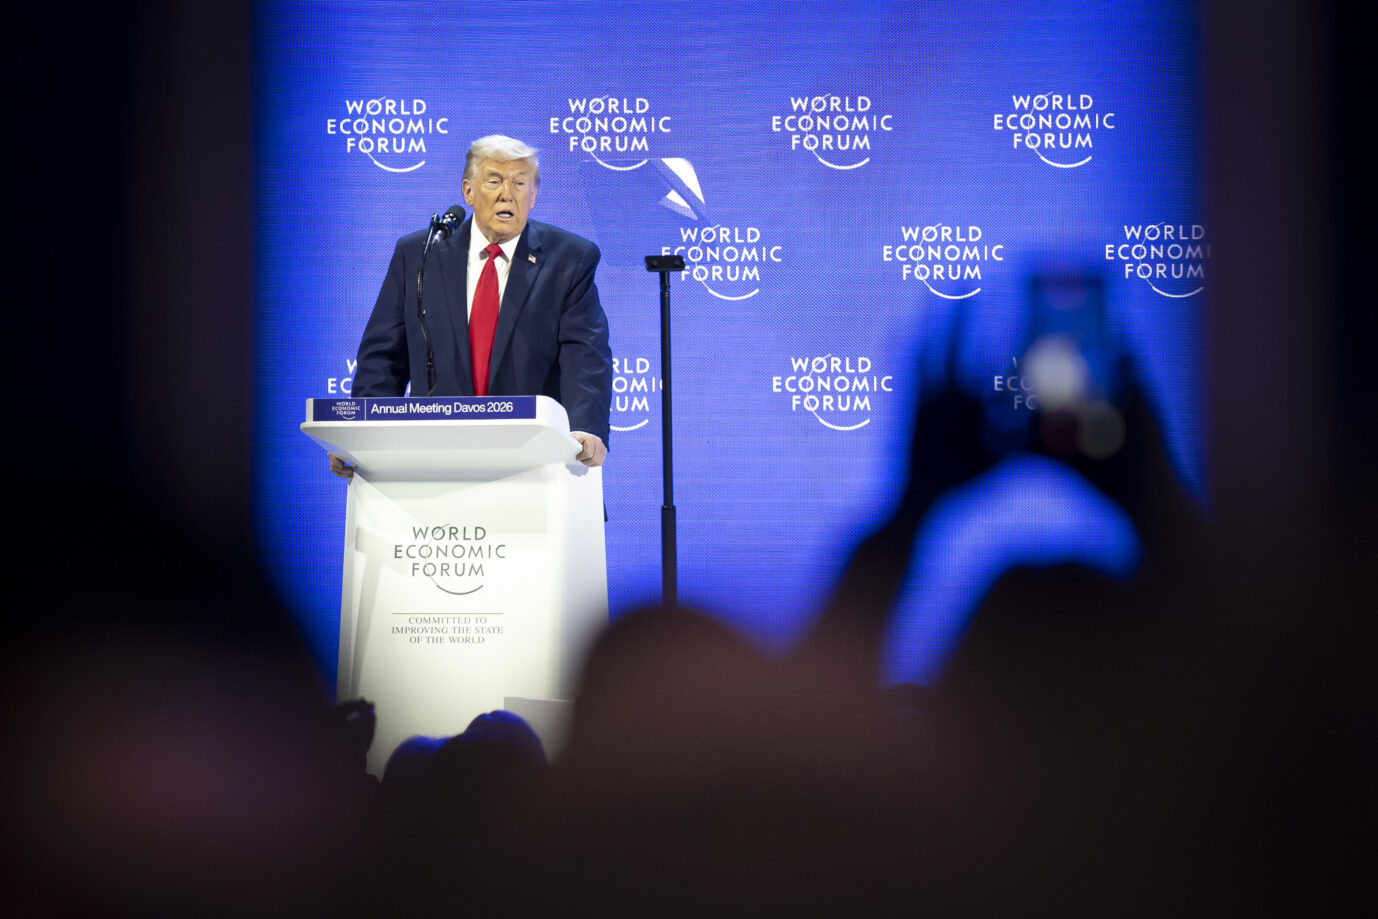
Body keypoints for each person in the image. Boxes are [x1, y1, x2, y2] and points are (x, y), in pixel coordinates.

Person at [330, 135, 612, 477]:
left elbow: (585, 356)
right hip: (433, 460)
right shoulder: (419, 254)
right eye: (494, 181)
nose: (507, 193)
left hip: (534, 463)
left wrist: (585, 429)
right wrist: (360, 439)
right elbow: (383, 358)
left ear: (533, 195)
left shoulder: (570, 258)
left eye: (520, 183)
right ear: (468, 192)